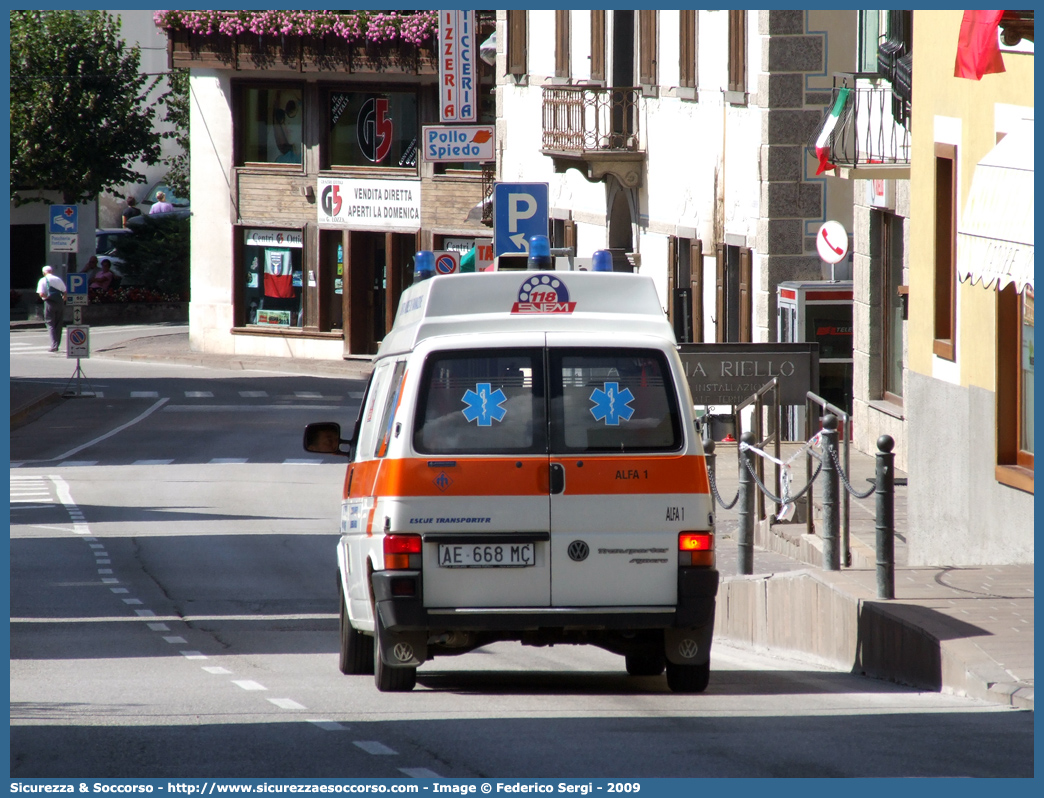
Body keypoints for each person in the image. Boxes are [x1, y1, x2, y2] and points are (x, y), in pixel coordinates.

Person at [36, 265, 67, 353]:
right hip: (59, 303)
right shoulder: (58, 279)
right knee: (58, 324)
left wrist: (47, 298)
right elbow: (65, 291)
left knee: (50, 324)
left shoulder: (42, 280)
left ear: (43, 272)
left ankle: (54, 345)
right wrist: (62, 300)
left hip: (49, 303)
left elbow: (41, 294)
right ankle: (57, 344)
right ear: (52, 271)